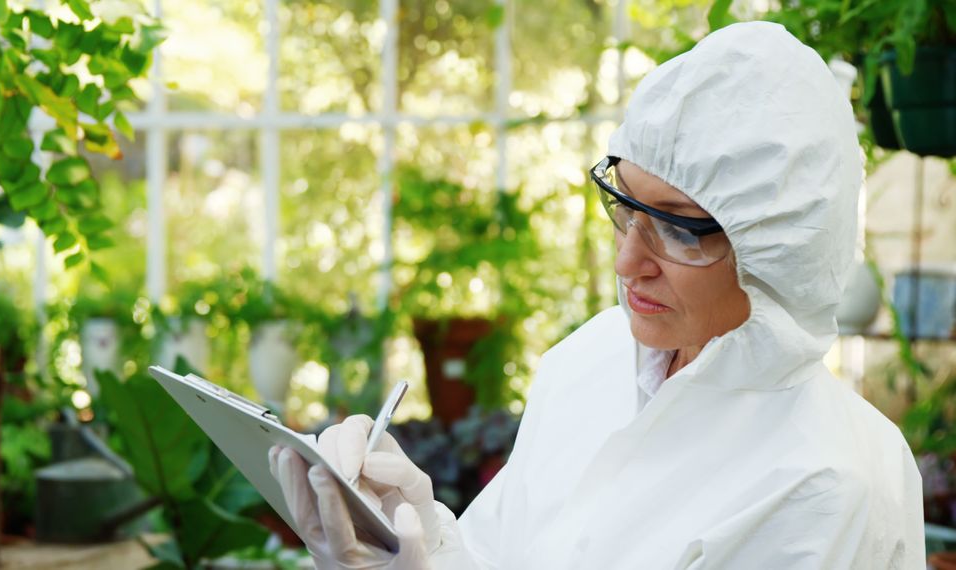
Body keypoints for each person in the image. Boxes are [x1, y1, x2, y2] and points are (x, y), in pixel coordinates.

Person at [267, 21, 925, 569]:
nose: (628, 259)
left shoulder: (828, 481)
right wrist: (409, 530)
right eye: (626, 206)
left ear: (780, 249)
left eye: (676, 227)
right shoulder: (593, 358)